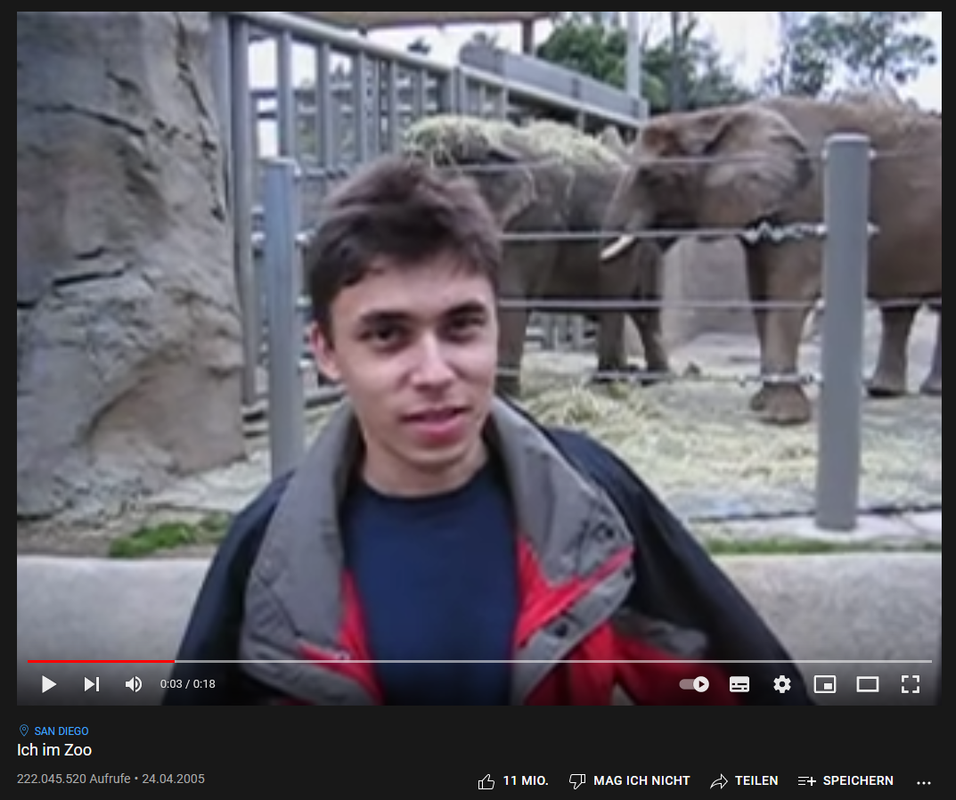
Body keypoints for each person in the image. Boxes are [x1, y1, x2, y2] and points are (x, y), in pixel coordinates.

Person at [163, 155, 811, 706]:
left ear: (499, 325)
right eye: (387, 335)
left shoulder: (592, 503)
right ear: (327, 352)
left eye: (462, 326)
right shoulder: (266, 550)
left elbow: (752, 687)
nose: (434, 372)